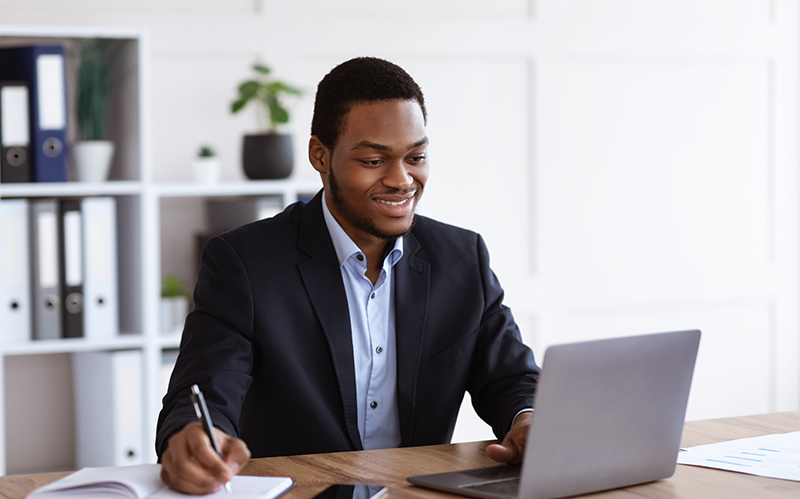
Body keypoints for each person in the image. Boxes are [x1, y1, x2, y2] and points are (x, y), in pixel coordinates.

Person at [156, 56, 540, 495]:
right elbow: (204, 391)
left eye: (416, 157)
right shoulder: (243, 263)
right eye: (375, 160)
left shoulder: (461, 257)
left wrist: (527, 419)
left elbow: (512, 378)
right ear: (321, 156)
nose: (402, 180)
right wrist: (193, 439)